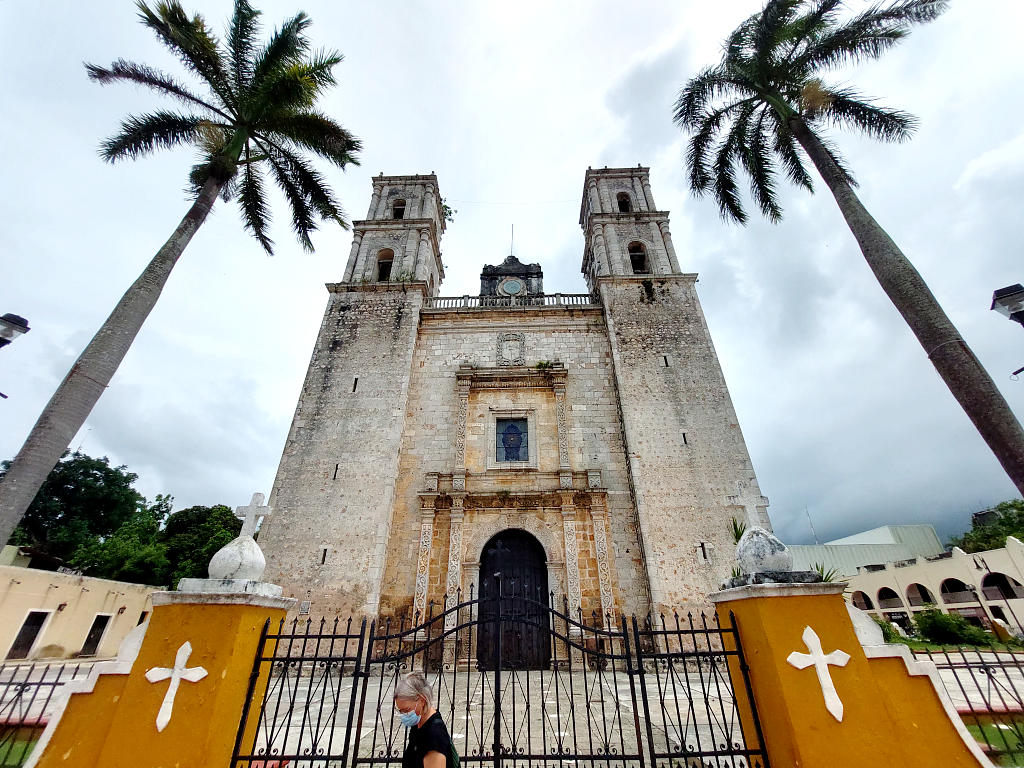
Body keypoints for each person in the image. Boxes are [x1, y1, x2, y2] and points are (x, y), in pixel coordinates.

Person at [394, 672, 458, 768]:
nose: (404, 715)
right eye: (400, 711)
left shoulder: (434, 735)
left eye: (406, 710)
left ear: (422, 700)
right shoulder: (418, 723)